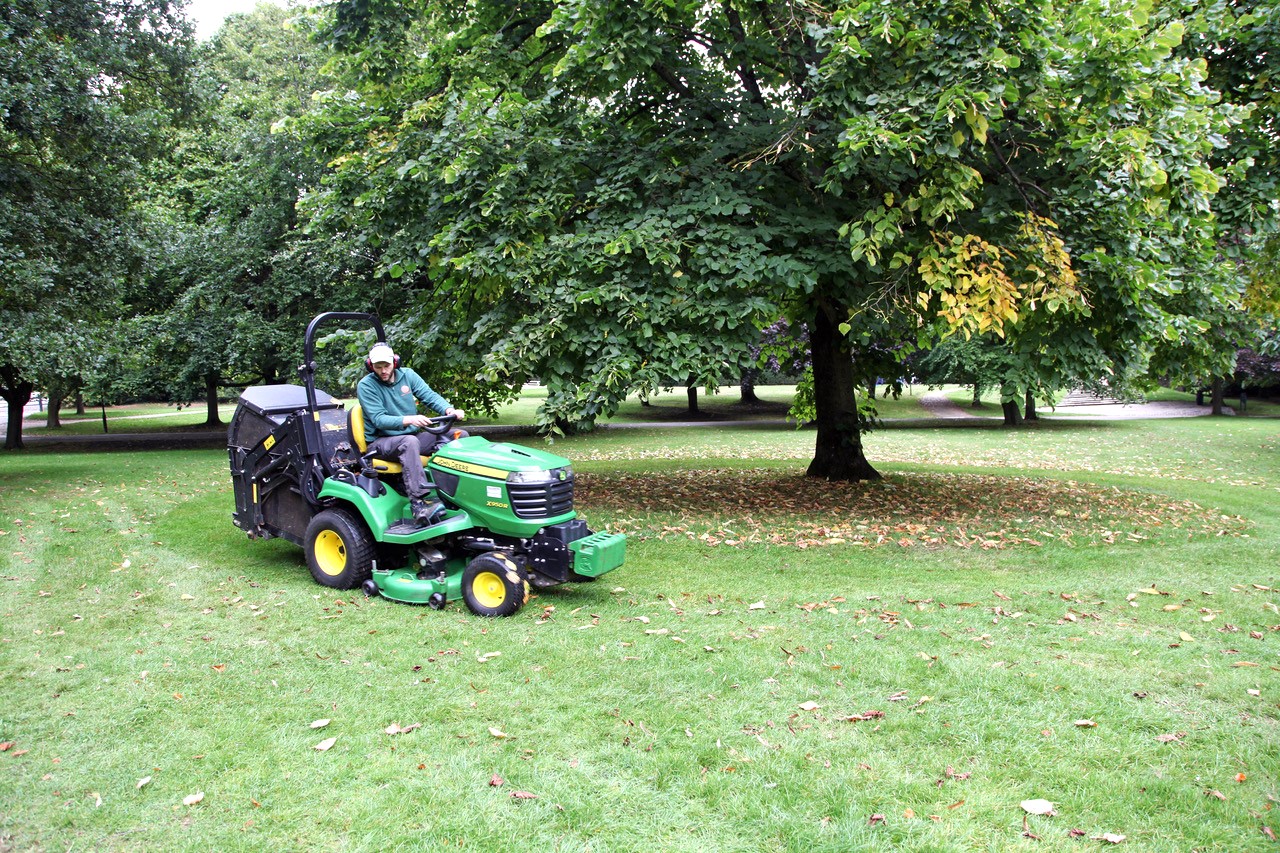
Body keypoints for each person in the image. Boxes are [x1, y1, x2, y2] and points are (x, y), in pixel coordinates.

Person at [356, 342, 468, 524]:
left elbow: (429, 396)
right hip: (381, 441)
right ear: (371, 366)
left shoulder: (408, 375)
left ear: (395, 362)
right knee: (409, 442)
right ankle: (419, 503)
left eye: (387, 365)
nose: (383, 370)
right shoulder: (366, 386)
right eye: (378, 367)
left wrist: (449, 410)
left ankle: (453, 493)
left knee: (458, 436)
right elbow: (378, 419)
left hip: (412, 436)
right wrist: (409, 419)